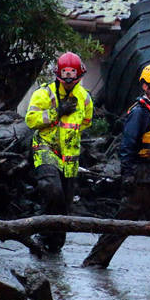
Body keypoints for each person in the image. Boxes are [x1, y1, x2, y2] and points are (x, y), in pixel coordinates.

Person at [82, 63, 150, 273]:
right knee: (122, 225)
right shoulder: (139, 112)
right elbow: (127, 146)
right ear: (145, 87)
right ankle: (94, 263)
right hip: (142, 179)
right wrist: (128, 175)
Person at [26, 51, 93, 253]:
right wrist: (57, 113)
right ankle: (40, 234)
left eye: (73, 73)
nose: (69, 78)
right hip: (45, 148)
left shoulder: (85, 98)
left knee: (64, 201)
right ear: (59, 74)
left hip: (70, 155)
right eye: (66, 73)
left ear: (79, 74)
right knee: (52, 190)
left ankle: (55, 246)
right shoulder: (44, 93)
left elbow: (86, 122)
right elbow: (31, 120)